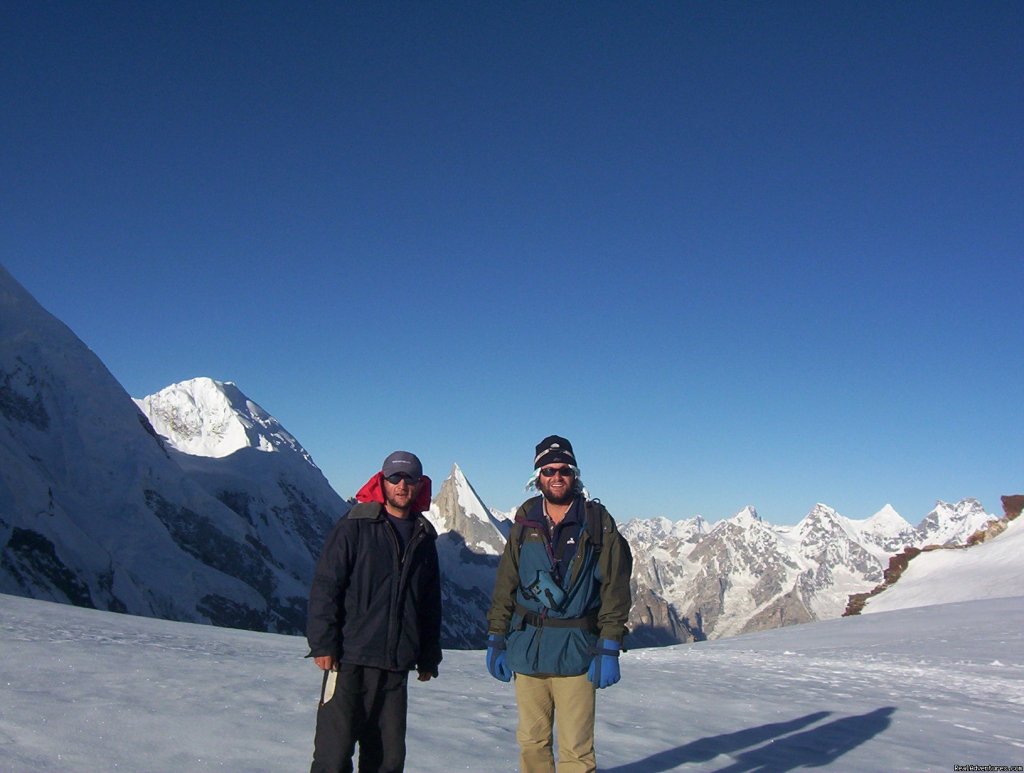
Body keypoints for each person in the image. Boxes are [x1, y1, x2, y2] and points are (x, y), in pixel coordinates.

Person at [486, 435, 633, 773]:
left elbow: (615, 590)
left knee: (576, 752)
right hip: (527, 651)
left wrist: (609, 644)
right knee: (531, 743)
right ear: (537, 476)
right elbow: (506, 583)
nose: (556, 476)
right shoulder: (525, 520)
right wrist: (496, 636)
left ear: (574, 474)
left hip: (576, 654)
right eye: (548, 469)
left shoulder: (597, 523)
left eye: (563, 469)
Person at [307, 451, 442, 773]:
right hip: (349, 658)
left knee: (387, 759)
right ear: (382, 481)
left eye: (410, 478)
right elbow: (327, 584)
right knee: (333, 755)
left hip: (395, 664)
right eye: (394, 477)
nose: (402, 484)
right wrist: (323, 643)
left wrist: (428, 655)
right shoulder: (356, 525)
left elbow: (429, 602)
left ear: (419, 485)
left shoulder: (424, 536)